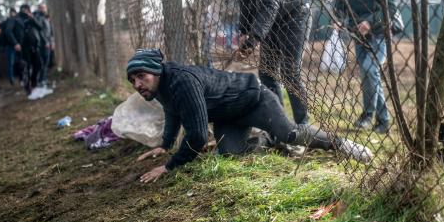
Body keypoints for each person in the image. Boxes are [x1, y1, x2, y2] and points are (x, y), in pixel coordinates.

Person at [126, 49, 373, 183]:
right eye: (133, 80)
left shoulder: (181, 82)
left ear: (156, 71)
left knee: (291, 132)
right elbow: (172, 111)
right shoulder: (158, 86)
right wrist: (165, 144)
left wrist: (169, 167)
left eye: (142, 76)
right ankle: (269, 139)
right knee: (231, 154)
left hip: (254, 98)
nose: (138, 84)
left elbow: (198, 136)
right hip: (227, 116)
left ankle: (340, 144)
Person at [333, 0, 398, 134]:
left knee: (370, 70)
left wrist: (369, 22)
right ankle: (376, 119)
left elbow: (390, 9)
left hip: (379, 34)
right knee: (368, 75)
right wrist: (338, 20)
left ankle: (374, 117)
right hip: (359, 38)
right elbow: (338, 9)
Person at [33, 3, 53, 86]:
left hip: (47, 43)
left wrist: (52, 42)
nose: (44, 9)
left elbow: (50, 31)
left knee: (46, 62)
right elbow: (40, 31)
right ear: (39, 9)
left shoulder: (46, 17)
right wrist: (46, 42)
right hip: (42, 44)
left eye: (44, 8)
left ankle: (43, 79)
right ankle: (40, 80)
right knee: (42, 63)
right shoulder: (38, 17)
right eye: (42, 8)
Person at [0, 8, 18, 85]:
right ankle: (11, 78)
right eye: (11, 13)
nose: (12, 14)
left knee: (15, 62)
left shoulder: (16, 21)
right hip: (9, 45)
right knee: (10, 63)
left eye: (13, 13)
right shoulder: (5, 23)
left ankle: (14, 77)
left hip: (16, 44)